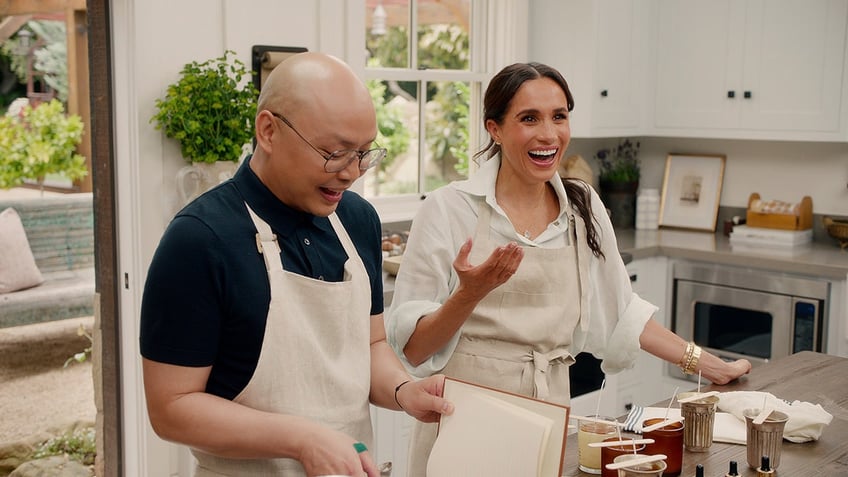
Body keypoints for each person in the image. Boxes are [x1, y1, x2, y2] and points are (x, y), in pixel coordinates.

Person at [384, 62, 752, 475]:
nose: (548, 134)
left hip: (548, 415)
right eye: (528, 118)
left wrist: (708, 365)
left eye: (559, 116)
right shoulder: (448, 209)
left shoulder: (583, 207)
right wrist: (469, 293)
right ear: (495, 128)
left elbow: (623, 316)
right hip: (464, 416)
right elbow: (413, 348)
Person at [139, 52, 453, 477]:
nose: (352, 172)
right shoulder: (199, 239)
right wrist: (302, 439)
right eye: (335, 152)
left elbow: (372, 345)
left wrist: (405, 391)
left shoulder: (358, 220)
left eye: (364, 153)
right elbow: (171, 408)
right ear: (268, 130)